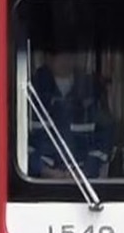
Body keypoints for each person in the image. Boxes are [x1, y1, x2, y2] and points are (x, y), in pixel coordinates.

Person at [28, 47, 113, 179]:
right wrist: (42, 169)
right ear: (48, 58)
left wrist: (87, 170)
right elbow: (19, 140)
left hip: (85, 184)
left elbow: (104, 138)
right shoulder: (30, 90)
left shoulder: (92, 90)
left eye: (69, 53)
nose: (65, 59)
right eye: (59, 54)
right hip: (38, 183)